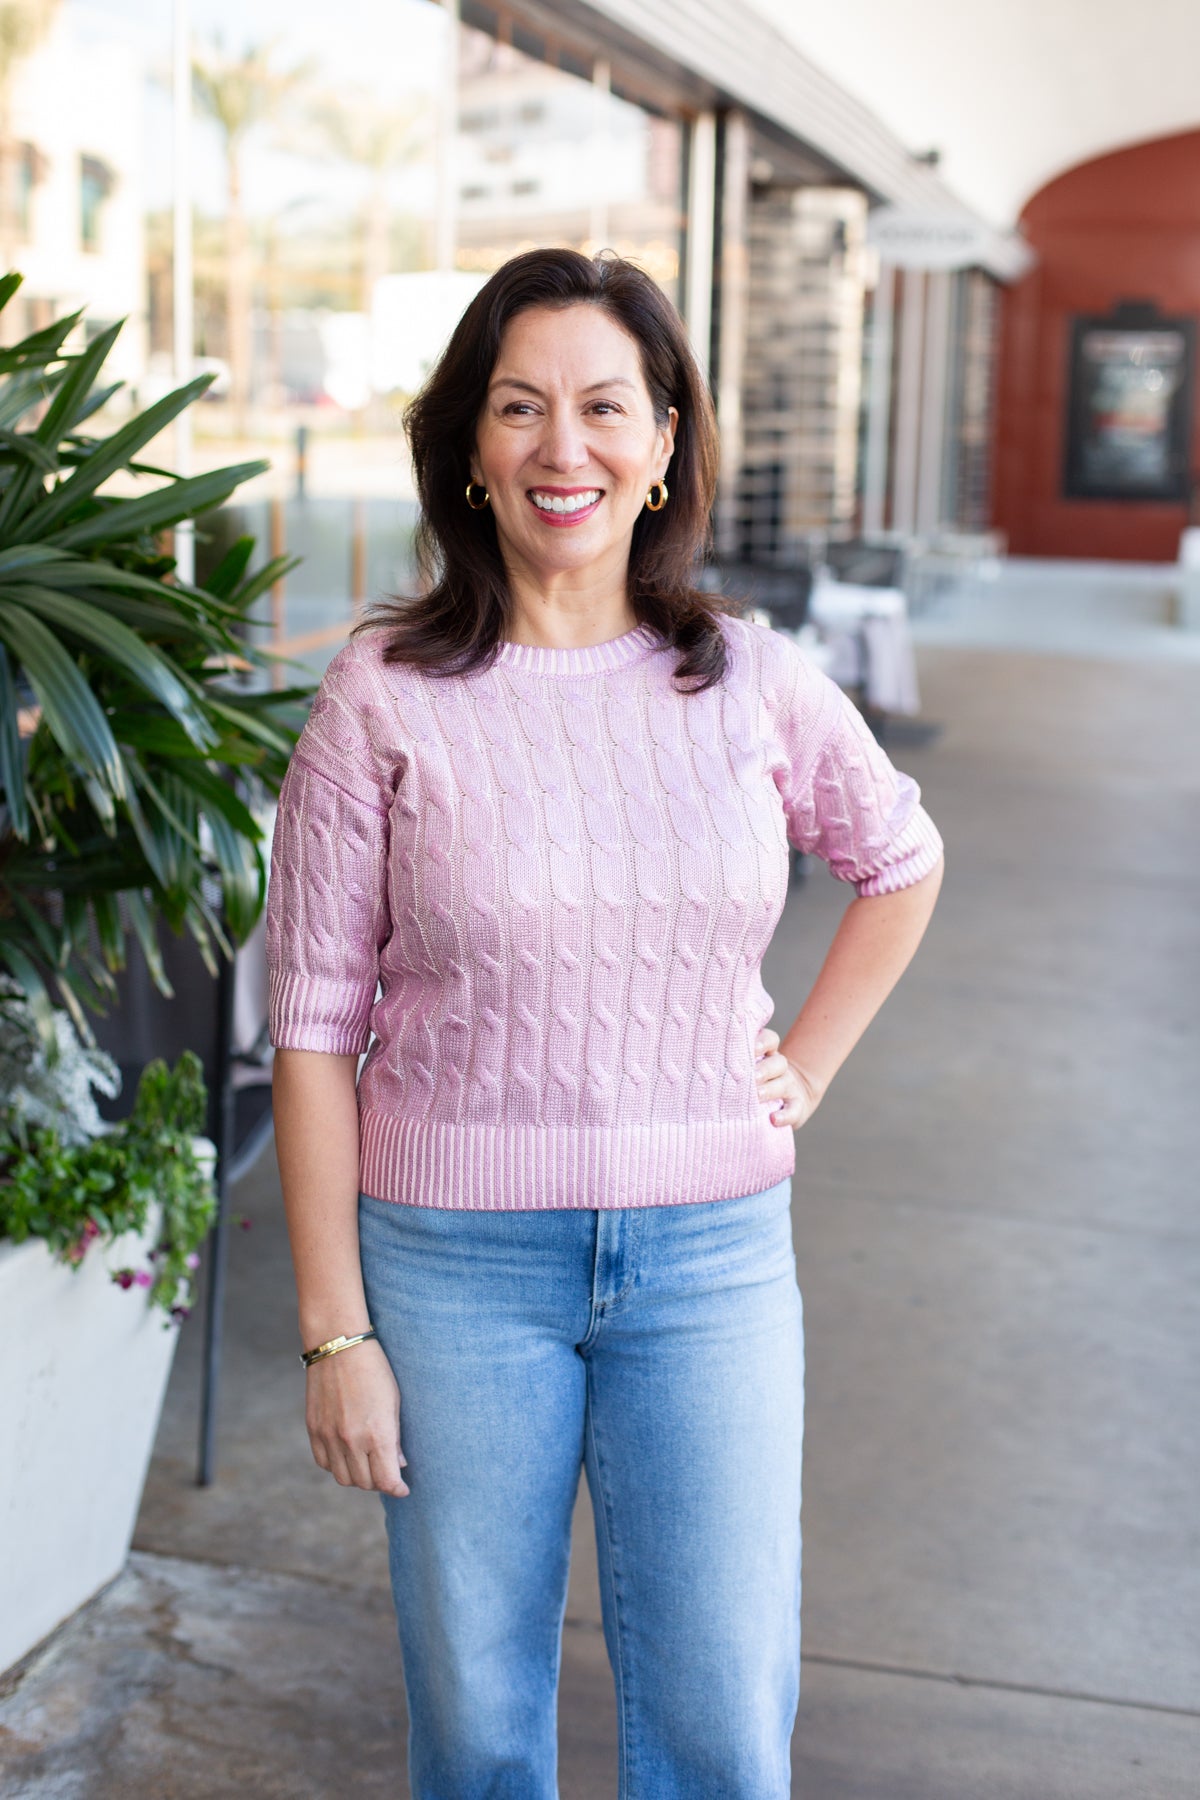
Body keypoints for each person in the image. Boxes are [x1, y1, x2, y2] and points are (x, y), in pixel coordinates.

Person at [266, 247, 944, 1799]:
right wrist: (335, 1333)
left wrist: (809, 1068)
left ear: (662, 445)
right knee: (480, 1725)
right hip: (449, 1271)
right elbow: (311, 1028)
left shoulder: (749, 679)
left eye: (600, 407)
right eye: (518, 408)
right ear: (468, 449)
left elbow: (901, 862)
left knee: (720, 1725)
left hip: (710, 1260)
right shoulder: (381, 693)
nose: (560, 447)